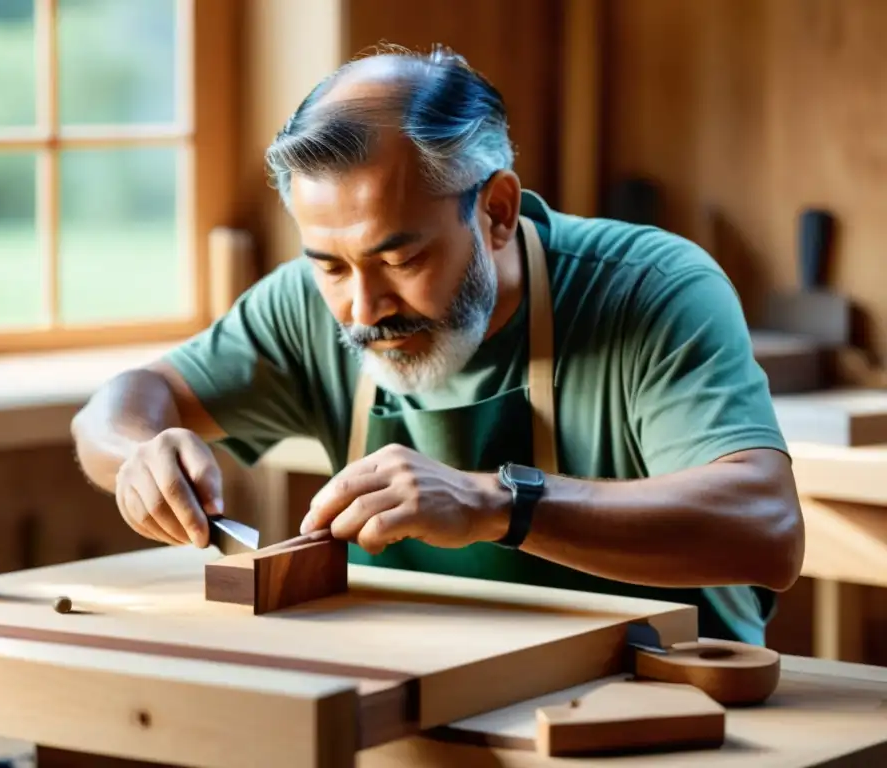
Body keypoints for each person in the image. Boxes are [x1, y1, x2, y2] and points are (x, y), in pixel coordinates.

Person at [71, 46, 804, 646]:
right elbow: (122, 403)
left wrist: (495, 504)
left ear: (496, 211)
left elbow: (766, 530)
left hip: (665, 709)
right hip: (421, 698)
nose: (362, 308)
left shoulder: (650, 288)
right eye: (329, 263)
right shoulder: (306, 302)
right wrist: (139, 451)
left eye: (400, 260)